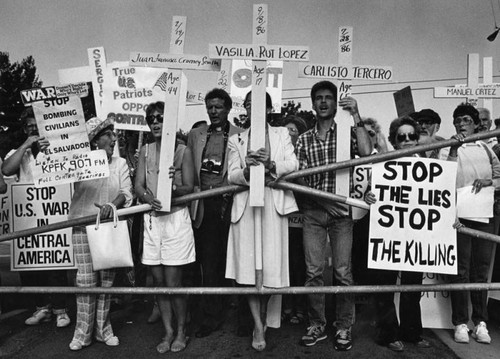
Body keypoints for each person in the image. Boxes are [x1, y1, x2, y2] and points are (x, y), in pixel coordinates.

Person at [296, 81, 372, 351]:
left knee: (343, 271)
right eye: (319, 98)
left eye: (329, 97)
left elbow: (365, 153)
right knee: (313, 271)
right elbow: (300, 180)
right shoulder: (304, 139)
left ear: (335, 101)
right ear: (313, 102)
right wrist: (325, 201)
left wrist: (356, 115)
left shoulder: (346, 132)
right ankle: (316, 323)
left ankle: (343, 326)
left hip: (342, 213)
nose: (324, 102)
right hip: (315, 211)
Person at [226, 91, 298, 351]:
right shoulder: (236, 138)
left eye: (260, 105)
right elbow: (230, 175)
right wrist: (245, 170)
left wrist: (272, 163)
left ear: (269, 109)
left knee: (268, 266)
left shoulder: (280, 134)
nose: (254, 109)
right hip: (246, 204)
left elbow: (293, 163)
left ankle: (265, 314)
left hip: (272, 201)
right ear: (245, 109)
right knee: (247, 268)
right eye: (249, 104)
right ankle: (258, 324)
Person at [363, 116, 431, 351]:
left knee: (413, 286)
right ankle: (388, 334)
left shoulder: (429, 164)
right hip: (389, 233)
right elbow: (371, 193)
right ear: (394, 140)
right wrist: (369, 197)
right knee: (386, 285)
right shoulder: (384, 163)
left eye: (412, 136)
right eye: (401, 137)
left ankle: (412, 333)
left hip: (416, 235)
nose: (407, 140)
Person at [1, 107, 71, 328]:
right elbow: (6, 170)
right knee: (31, 264)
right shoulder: (18, 151)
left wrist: (46, 151)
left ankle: (61, 309)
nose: (33, 129)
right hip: (29, 215)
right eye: (29, 126)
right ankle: (42, 308)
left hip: (51, 212)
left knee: (54, 262)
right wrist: (25, 146)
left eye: (36, 125)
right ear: (24, 129)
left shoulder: (54, 149)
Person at [135, 101, 196, 353]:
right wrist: (148, 197)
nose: (156, 122)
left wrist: (172, 187)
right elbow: (138, 185)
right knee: (158, 281)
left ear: (169, 120)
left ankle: (182, 331)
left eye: (160, 117)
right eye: (151, 119)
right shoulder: (146, 150)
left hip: (175, 220)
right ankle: (168, 331)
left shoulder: (183, 150)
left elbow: (189, 187)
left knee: (173, 282)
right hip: (153, 221)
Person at [67, 117, 133, 351]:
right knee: (85, 280)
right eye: (109, 135)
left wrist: (112, 205)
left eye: (114, 134)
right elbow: (55, 172)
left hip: (108, 226)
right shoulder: (77, 162)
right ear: (95, 140)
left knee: (106, 280)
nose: (114, 139)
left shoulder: (120, 163)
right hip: (82, 225)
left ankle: (104, 330)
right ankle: (82, 333)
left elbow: (126, 191)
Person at [439, 103, 500, 345]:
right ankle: (460, 323)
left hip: (484, 215)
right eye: (456, 119)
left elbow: (499, 176)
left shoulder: (486, 148)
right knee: (460, 270)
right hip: (459, 216)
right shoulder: (446, 148)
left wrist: (489, 183)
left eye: (465, 119)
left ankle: (481, 321)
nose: (460, 123)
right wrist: (454, 149)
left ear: (475, 123)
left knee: (481, 269)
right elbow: (444, 177)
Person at [187, 88, 244, 338]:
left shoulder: (240, 135)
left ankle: (230, 313)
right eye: (209, 106)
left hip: (229, 203)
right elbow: (189, 169)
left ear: (229, 109)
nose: (213, 111)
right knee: (204, 262)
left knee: (227, 260)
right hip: (202, 204)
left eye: (218, 107)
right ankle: (205, 314)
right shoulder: (195, 134)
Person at [281, 115, 308, 325]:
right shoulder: (278, 155)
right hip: (282, 216)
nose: (288, 134)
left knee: (300, 263)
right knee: (285, 263)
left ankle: (300, 306)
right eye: (285, 130)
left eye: (292, 130)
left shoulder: (303, 154)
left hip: (302, 214)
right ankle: (285, 305)